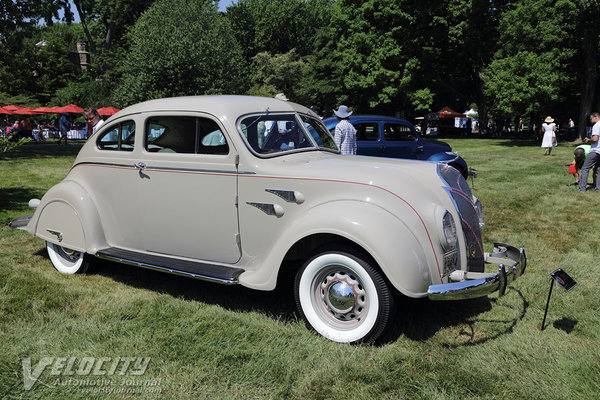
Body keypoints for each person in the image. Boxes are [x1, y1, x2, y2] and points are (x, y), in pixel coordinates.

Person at [578, 112, 600, 192]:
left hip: (595, 150)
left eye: (591, 119)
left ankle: (582, 188)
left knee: (585, 168)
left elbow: (595, 139)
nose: (590, 120)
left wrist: (588, 140)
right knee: (598, 169)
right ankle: (598, 188)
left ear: (596, 117)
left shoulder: (596, 125)